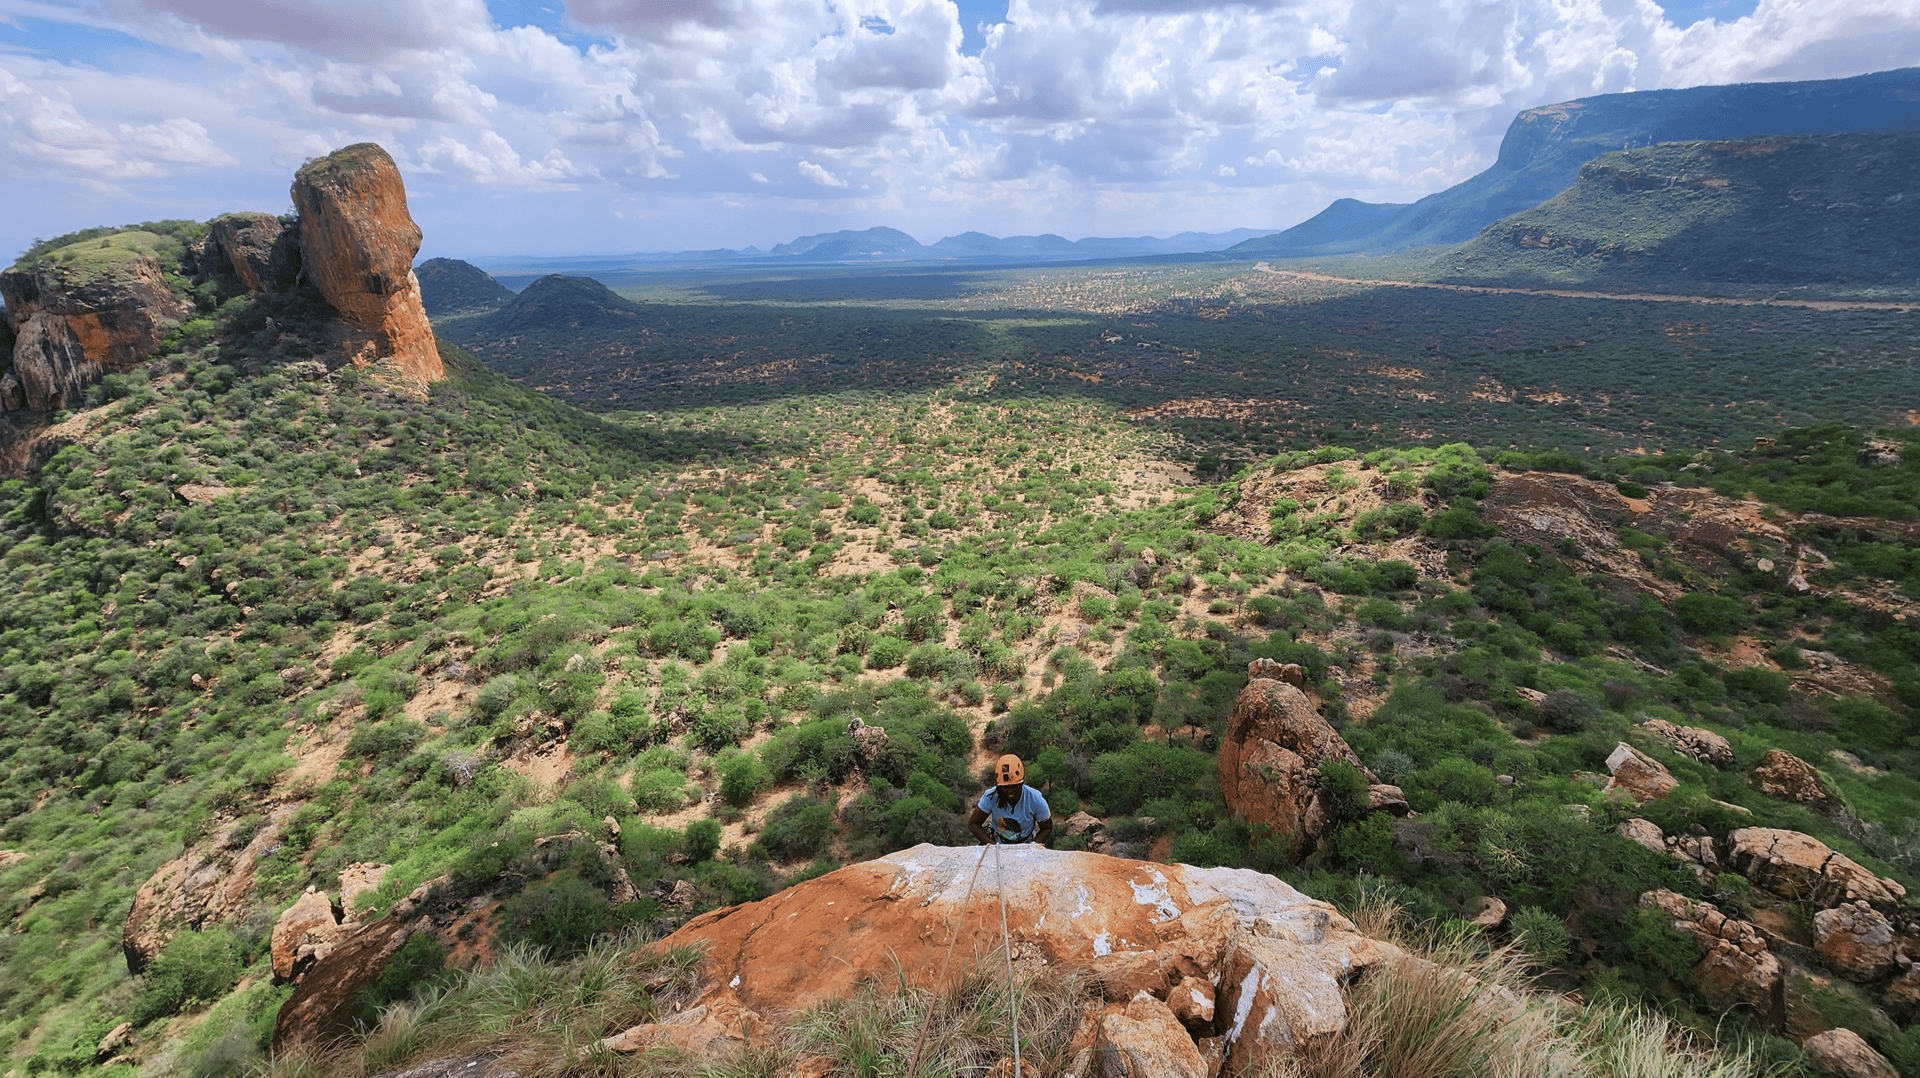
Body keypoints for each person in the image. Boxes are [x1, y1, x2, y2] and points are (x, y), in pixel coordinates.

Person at [968, 753, 1052, 847]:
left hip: (1026, 844)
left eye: (1014, 786)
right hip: (999, 843)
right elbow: (974, 824)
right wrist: (992, 846)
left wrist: (1032, 847)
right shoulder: (991, 797)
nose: (1010, 791)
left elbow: (1046, 828)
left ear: (1022, 782)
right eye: (1005, 787)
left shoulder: (1035, 799)